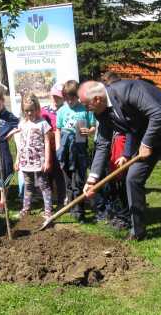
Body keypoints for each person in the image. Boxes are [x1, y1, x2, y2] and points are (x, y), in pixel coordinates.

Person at [79, 79, 161, 258]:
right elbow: (102, 144)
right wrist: (92, 179)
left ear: (97, 99)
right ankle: (138, 230)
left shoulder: (127, 90)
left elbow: (158, 114)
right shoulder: (102, 113)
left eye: (87, 105)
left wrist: (147, 143)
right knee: (133, 178)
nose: (87, 110)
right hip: (148, 136)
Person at [56, 80, 96, 223]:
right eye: (67, 99)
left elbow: (93, 127)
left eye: (72, 98)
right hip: (65, 149)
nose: (70, 101)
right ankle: (72, 208)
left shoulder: (85, 109)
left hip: (79, 148)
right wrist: (58, 147)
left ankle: (80, 211)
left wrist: (89, 131)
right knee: (68, 180)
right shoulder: (61, 111)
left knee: (78, 180)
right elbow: (58, 129)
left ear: (78, 96)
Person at [15, 93, 53, 219]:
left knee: (43, 185)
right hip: (26, 161)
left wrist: (47, 161)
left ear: (37, 108)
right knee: (28, 185)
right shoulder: (22, 124)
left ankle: (48, 209)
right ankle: (26, 208)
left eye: (32, 110)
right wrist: (17, 159)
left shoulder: (43, 124)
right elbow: (21, 144)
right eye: (26, 111)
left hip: (39, 161)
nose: (29, 113)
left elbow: (47, 143)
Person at [40, 83, 66, 208]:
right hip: (46, 148)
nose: (56, 99)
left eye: (59, 97)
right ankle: (48, 202)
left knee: (59, 174)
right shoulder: (43, 111)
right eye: (54, 96)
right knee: (47, 175)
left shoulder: (66, 110)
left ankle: (61, 200)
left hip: (60, 147)